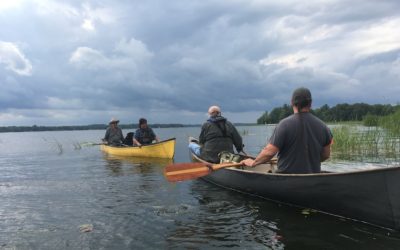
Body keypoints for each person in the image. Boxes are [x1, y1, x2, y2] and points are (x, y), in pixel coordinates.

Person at [241, 87, 333, 174]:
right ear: (310, 103)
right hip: (313, 177)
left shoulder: (284, 125)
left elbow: (269, 152)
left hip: (286, 180)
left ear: (292, 103)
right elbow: (326, 155)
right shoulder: (323, 126)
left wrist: (254, 163)